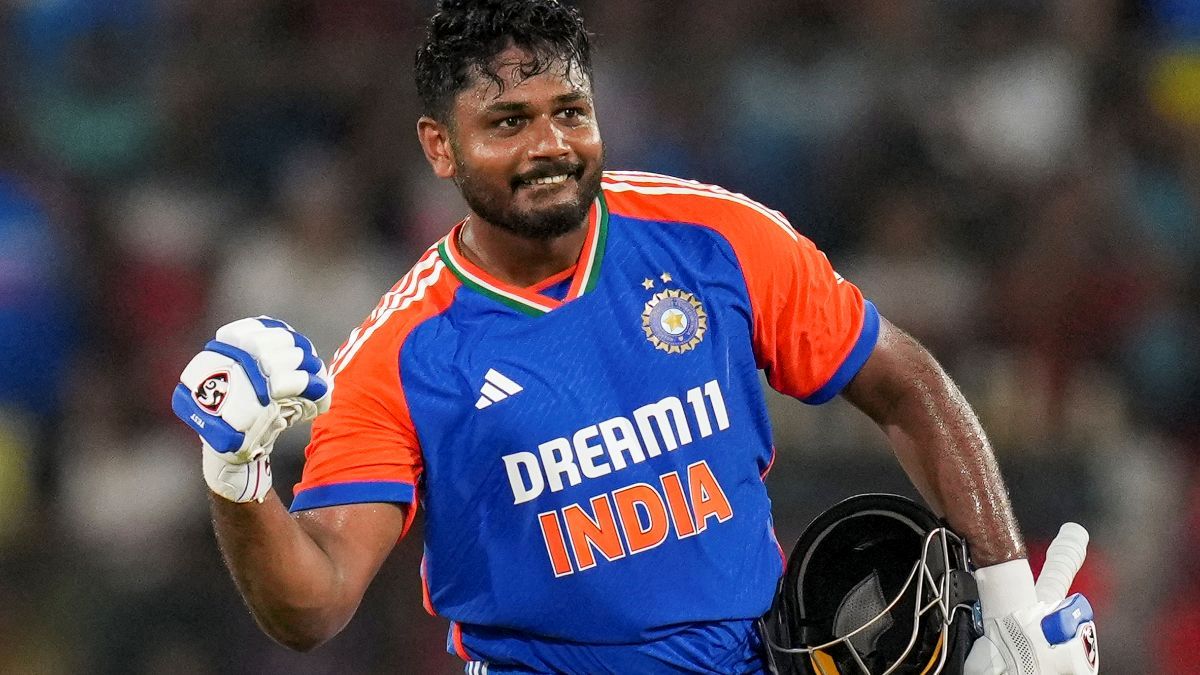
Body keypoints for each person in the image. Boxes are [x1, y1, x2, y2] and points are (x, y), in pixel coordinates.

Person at [171, 1, 1098, 673]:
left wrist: (1009, 598)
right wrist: (237, 475)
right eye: (507, 122)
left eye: (569, 112)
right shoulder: (400, 354)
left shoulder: (715, 237)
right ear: (439, 147)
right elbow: (316, 601)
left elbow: (904, 383)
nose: (549, 145)